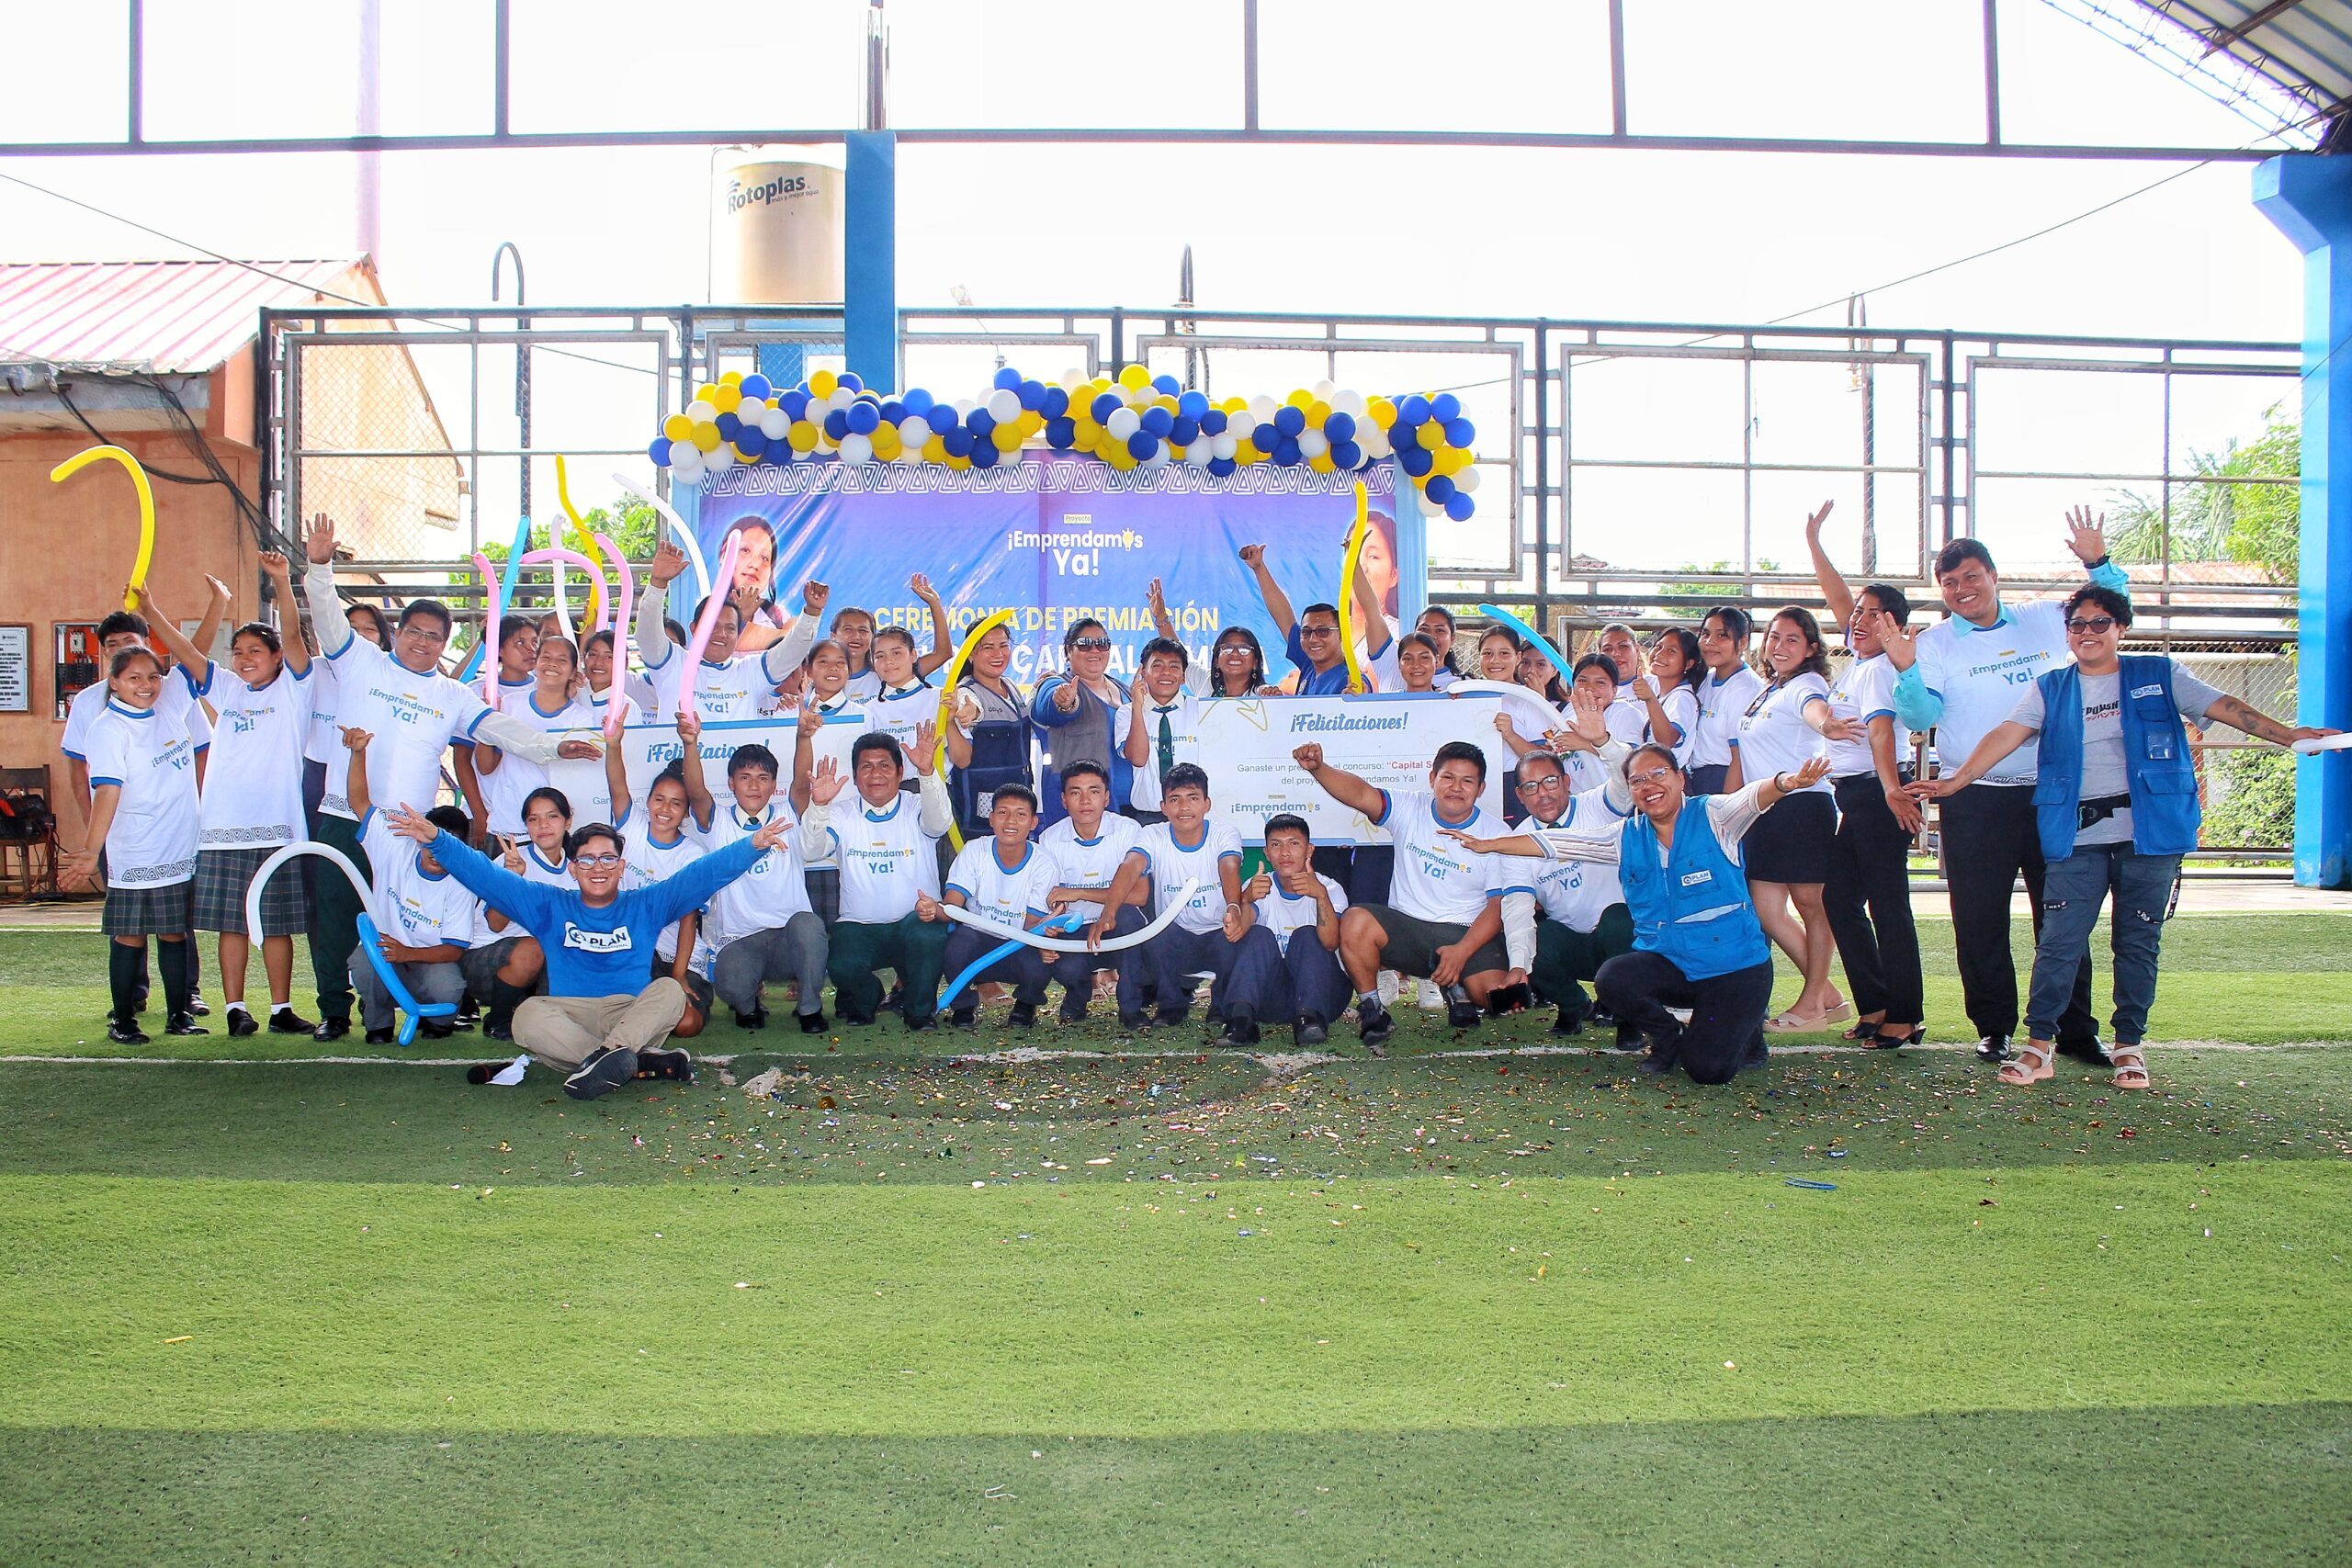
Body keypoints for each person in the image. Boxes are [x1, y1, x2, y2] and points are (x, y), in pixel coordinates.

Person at [1911, 585, 2335, 1090]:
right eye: (2077, 625)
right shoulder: (2051, 687)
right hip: (2077, 834)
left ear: (2121, 629)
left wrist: (2287, 735)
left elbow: (2223, 706)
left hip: (2150, 834)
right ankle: (2039, 1045)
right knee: (2060, 942)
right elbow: (2007, 733)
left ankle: (2129, 1048)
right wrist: (1957, 780)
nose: (2086, 632)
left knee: (2137, 943)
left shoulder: (2159, 675)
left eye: (2099, 623)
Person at [300, 519, 598, 1042]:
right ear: (400, 634)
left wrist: (554, 745)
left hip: (409, 831)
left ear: (446, 644)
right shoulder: (361, 662)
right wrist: (319, 567)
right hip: (345, 812)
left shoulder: (452, 695)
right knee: (335, 917)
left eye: (435, 636)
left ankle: (423, 1008)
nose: (423, 642)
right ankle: (334, 1012)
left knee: (408, 921)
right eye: (414, 631)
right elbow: (326, 620)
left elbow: (505, 731)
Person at [1883, 511, 2127, 1066]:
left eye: (1970, 577)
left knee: (2064, 913)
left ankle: (2074, 1028)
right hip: (1973, 795)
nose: (1962, 590)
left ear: (1994, 576)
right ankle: (1994, 1026)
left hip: (2053, 793)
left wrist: (2097, 562)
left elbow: (2111, 608)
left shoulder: (2045, 620)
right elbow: (1921, 715)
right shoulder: (1935, 644)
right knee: (1977, 916)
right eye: (1949, 583)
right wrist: (1906, 671)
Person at [1447, 747, 1838, 1084]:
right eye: (1638, 781)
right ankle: (1667, 1039)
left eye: (1658, 775)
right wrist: (1490, 844)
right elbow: (1555, 842)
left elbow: (1753, 796)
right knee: (1614, 978)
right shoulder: (1624, 835)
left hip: (1733, 968)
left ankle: (1743, 1027)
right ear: (1631, 791)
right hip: (1676, 965)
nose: (1649, 786)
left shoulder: (1715, 815)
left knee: (1709, 1071)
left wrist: (1787, 782)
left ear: (1680, 778)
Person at [380, 802, 794, 1098]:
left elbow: (700, 875)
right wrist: (437, 840)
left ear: (620, 864)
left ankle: (611, 1057)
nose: (598, 867)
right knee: (526, 1015)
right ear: (573, 867)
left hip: (629, 1014)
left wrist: (751, 844)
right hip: (569, 1018)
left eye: (607, 858)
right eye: (587, 860)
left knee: (669, 990)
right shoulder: (548, 904)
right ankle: (624, 1061)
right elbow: (486, 878)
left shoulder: (645, 904)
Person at [137, 556, 316, 1037]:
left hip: (277, 827)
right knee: (231, 925)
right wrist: (152, 613)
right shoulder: (229, 689)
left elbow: (297, 637)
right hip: (221, 829)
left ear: (277, 656)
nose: (244, 658)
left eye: (256, 650)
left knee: (276, 925)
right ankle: (236, 1008)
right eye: (238, 651)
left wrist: (281, 582)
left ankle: (281, 1008)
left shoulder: (296, 689)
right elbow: (185, 654)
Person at [1292, 739, 1530, 1051]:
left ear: (1481, 788)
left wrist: (1461, 952)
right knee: (1354, 920)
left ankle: (1457, 989)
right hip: (1408, 929)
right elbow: (1361, 794)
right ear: (1433, 779)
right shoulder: (1410, 807)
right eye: (1448, 777)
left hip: (1464, 934)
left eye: (1467, 780)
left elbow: (1497, 905)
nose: (1456, 787)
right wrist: (1319, 769)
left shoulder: (1497, 834)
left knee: (1498, 997)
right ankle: (1372, 1008)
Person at [61, 592, 225, 1022]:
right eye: (134, 678)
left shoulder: (170, 701)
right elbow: (108, 793)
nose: (146, 685)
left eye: (152, 676)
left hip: (178, 847)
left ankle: (179, 1015)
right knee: (130, 936)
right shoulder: (107, 728)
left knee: (174, 933)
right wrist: (90, 852)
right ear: (113, 681)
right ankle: (124, 1018)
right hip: (135, 849)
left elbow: (196, 654)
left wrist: (218, 604)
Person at [1805, 501, 1926, 1047]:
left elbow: (1881, 733)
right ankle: (1876, 1002)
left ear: (1893, 626)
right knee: (1840, 899)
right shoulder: (1860, 659)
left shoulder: (1880, 669)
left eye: (1871, 614)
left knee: (1888, 904)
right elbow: (1839, 599)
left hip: (1877, 796)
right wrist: (1814, 540)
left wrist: (1893, 791)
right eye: (1857, 614)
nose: (1856, 619)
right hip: (1855, 798)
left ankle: (1905, 1013)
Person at [1728, 606, 1849, 1031]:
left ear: (1811, 648)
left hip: (1802, 805)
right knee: (1766, 910)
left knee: (1811, 904)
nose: (1780, 646)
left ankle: (1814, 1000)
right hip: (1764, 807)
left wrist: (1828, 726)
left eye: (1792, 639)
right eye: (1775, 637)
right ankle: (1829, 995)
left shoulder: (1807, 683)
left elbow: (1815, 709)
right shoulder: (1767, 689)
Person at [674, 739, 830, 1033]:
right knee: (729, 981)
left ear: (774, 785)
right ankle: (747, 1007)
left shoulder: (787, 813)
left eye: (763, 778)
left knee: (809, 926)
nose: (754, 786)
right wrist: (690, 742)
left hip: (789, 939)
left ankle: (810, 1007)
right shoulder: (717, 820)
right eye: (745, 778)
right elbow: (695, 792)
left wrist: (803, 735)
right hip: (742, 941)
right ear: (731, 783)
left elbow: (801, 782)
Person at [807, 729, 955, 1031]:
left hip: (914, 922)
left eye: (885, 766)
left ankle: (918, 1010)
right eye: (867, 766)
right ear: (856, 775)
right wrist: (818, 806)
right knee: (840, 964)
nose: (876, 774)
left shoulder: (915, 806)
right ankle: (868, 997)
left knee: (929, 935)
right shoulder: (840, 813)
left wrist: (927, 773)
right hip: (859, 927)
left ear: (901, 773)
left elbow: (940, 822)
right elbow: (811, 851)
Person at [1087, 762, 1246, 1032]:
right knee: (1151, 932)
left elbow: (1229, 866)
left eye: (1192, 798)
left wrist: (1233, 907)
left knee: (1243, 934)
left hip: (1219, 931)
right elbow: (1130, 866)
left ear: (1206, 804)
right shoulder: (1153, 835)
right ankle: (1172, 1005)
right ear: (1163, 807)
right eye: (1175, 799)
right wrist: (1108, 913)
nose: (1184, 808)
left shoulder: (1224, 833)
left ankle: (1221, 1004)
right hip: (1175, 936)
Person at [341, 728, 471, 1043]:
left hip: (428, 960)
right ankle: (378, 1023)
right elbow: (359, 802)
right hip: (387, 953)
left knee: (449, 988)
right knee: (364, 961)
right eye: (432, 842)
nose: (436, 854)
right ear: (420, 835)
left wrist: (408, 953)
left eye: (447, 848)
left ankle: (438, 1021)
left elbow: (454, 949)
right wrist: (358, 753)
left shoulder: (463, 882)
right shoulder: (395, 847)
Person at [1498, 749, 1634, 1036]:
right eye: (1531, 787)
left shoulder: (1597, 805)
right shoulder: (1517, 842)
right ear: (1520, 795)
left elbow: (1625, 780)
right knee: (1526, 939)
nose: (1543, 794)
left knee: (1619, 918)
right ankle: (1574, 1005)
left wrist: (1602, 742)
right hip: (1573, 943)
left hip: (1620, 939)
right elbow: (1518, 907)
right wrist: (1518, 965)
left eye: (1550, 782)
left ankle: (1628, 1015)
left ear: (1567, 782)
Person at [605, 719, 717, 1041]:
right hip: (633, 952)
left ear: (685, 813)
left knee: (686, 1025)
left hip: (679, 959)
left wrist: (679, 975)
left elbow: (687, 920)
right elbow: (617, 784)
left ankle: (641, 1020)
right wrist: (613, 745)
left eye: (676, 803)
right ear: (648, 801)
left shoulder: (692, 855)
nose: (665, 809)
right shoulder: (632, 829)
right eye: (659, 799)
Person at [638, 540, 820, 723]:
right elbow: (647, 634)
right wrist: (658, 584)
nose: (721, 634)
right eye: (712, 626)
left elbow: (792, 653)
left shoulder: (750, 671)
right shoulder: (672, 663)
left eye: (730, 628)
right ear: (694, 628)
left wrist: (812, 613)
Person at [1213, 813, 1351, 1046]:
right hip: (1270, 997)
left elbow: (1329, 943)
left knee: (1307, 935)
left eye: (1294, 844)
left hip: (1323, 996)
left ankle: (1310, 1021)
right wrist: (1244, 900)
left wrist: (1320, 896)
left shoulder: (1329, 888)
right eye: (1276, 845)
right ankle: (1240, 1022)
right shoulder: (1259, 885)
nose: (1285, 853)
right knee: (1258, 935)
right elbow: (1238, 933)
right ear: (1267, 853)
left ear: (1309, 851)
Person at [932, 784, 1063, 1028]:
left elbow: (1032, 925)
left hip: (1019, 942)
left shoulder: (1044, 863)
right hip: (978, 939)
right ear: (991, 818)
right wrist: (933, 910)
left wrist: (1044, 931)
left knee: (1044, 957)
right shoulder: (974, 851)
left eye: (1021, 814)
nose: (1010, 821)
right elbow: (952, 906)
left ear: (1033, 822)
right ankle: (963, 1005)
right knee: (956, 945)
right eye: (1002, 812)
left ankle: (1026, 1004)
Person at [1035, 761, 1147, 1022]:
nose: (1085, 800)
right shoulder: (1050, 839)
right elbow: (1053, 900)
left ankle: (1130, 1006)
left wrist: (1079, 893)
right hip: (1076, 930)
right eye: (1075, 792)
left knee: (1131, 918)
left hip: (1115, 924)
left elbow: (1139, 895)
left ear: (1107, 797)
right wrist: (1052, 919)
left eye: (1094, 791)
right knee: (1054, 951)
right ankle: (1077, 995)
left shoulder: (1127, 830)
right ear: (1064, 800)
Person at [462, 785, 573, 1039]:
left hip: (540, 963)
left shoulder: (577, 867)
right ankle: (498, 1020)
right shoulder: (510, 860)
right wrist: (514, 882)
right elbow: (495, 924)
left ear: (568, 821)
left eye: (552, 816)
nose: (543, 825)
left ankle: (533, 1012)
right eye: (534, 819)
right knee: (535, 948)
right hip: (485, 959)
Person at [473, 633, 593, 840]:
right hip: (507, 823)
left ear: (574, 671)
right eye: (546, 657)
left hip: (552, 832)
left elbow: (579, 779)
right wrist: (488, 725)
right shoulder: (509, 704)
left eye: (561, 660)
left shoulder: (581, 719)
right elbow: (485, 767)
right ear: (536, 663)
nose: (552, 664)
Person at [1239, 542, 1391, 694]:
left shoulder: (1350, 679)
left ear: (1341, 635)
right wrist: (1259, 568)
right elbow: (1283, 616)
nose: (1313, 639)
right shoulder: (1308, 662)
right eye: (1306, 632)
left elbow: (1359, 703)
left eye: (1323, 631)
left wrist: (1356, 701)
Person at [942, 617, 1034, 840]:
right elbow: (970, 707)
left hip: (1017, 801)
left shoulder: (1010, 686)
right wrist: (968, 711)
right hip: (981, 813)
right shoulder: (965, 692)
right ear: (971, 654)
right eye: (988, 648)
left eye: (1003, 646)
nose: (998, 654)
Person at [1033, 617, 1131, 825]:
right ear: (1068, 651)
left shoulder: (1124, 689)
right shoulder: (1055, 684)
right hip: (1078, 815)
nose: (1095, 650)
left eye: (1102, 644)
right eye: (1085, 644)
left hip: (1132, 810)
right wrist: (1066, 703)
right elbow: (1050, 705)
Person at [1121, 637, 1204, 826]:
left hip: (1193, 816)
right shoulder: (1126, 712)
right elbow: (1138, 758)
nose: (1166, 673)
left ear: (1183, 676)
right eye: (1157, 666)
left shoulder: (1202, 710)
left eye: (1174, 666)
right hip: (1147, 816)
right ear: (1143, 672)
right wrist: (1138, 707)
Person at [1688, 606, 1762, 795]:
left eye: (1722, 636)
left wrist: (1726, 808)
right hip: (1698, 779)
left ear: (1743, 642)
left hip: (1725, 781)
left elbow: (1739, 756)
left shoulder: (1746, 687)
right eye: (1705, 634)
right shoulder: (1708, 678)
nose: (1709, 642)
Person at [864, 626, 935, 780]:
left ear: (913, 655)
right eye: (880, 656)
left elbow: (963, 759)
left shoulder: (940, 698)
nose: (888, 661)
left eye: (897, 653)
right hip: (883, 794)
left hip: (934, 788)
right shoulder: (867, 711)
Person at [1629, 628, 1703, 768]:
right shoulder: (1665, 695)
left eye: (1671, 651)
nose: (1660, 654)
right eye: (1659, 647)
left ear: (1688, 663)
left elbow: (1666, 741)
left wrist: (1650, 699)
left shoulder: (1682, 697)